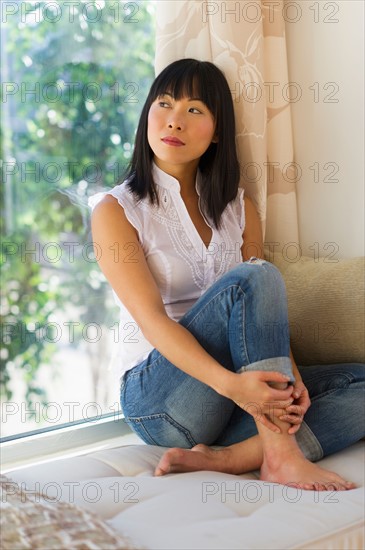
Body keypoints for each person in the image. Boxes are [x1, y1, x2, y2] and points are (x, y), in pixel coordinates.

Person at [90, 58, 364, 490]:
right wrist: (234, 387)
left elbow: (262, 318)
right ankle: (280, 455)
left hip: (236, 401)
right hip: (163, 401)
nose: (174, 121)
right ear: (147, 115)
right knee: (256, 275)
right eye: (164, 104)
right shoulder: (116, 210)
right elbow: (154, 322)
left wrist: (287, 384)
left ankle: (233, 457)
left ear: (217, 132)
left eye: (194, 110)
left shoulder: (240, 209)